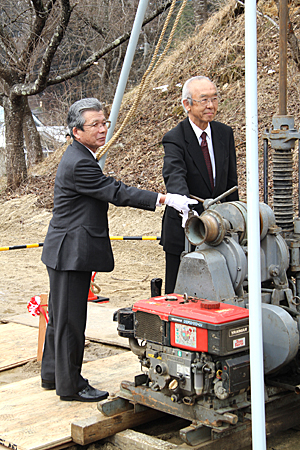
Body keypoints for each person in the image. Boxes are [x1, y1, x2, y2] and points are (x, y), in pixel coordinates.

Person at [40, 98, 197, 402]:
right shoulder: (80, 162)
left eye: (104, 122)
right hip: (70, 252)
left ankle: (52, 374)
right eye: (95, 125)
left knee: (60, 317)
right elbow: (115, 191)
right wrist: (164, 199)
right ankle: (71, 385)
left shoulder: (78, 155)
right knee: (71, 320)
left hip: (64, 249)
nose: (102, 129)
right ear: (76, 131)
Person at [160, 76, 239, 294]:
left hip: (220, 232)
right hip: (186, 229)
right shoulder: (175, 138)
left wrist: (235, 223)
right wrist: (191, 213)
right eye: (204, 100)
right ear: (187, 104)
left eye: (214, 99)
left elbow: (231, 184)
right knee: (179, 297)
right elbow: (175, 178)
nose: (211, 105)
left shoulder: (225, 133)